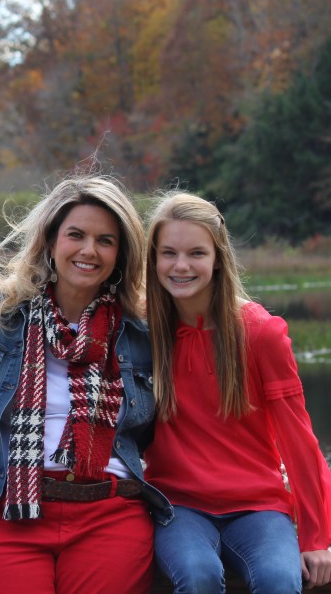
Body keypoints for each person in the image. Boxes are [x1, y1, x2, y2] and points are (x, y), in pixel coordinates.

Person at [0, 174, 173, 594]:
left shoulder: (143, 331)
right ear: (50, 241)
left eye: (105, 240)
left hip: (109, 513)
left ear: (122, 253)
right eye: (75, 234)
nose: (88, 250)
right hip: (3, 511)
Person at [142, 191, 331, 593]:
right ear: (153, 259)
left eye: (196, 253)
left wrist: (317, 537)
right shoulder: (145, 331)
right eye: (168, 253)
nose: (180, 266)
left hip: (258, 506)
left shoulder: (259, 333)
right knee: (198, 575)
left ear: (218, 257)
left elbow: (299, 440)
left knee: (281, 580)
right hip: (179, 506)